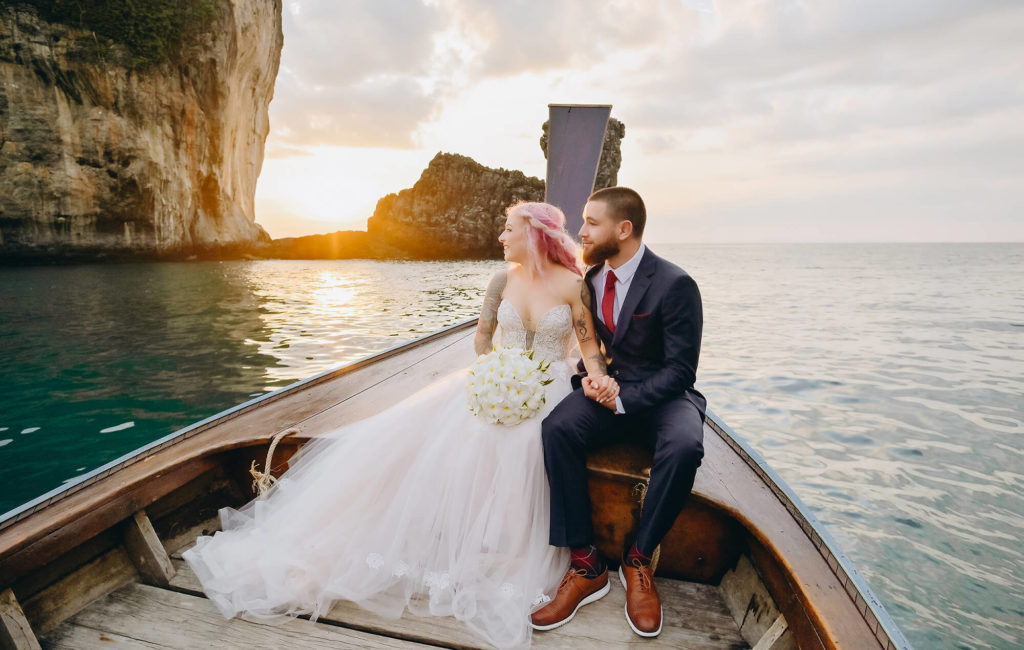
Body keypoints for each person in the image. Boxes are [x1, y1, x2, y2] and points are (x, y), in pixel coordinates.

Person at [182, 201, 619, 650]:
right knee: (442, 435)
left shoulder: (573, 285)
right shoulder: (501, 279)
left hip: (548, 387)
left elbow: (588, 348)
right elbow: (483, 338)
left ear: (532, 235)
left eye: (508, 230)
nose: (501, 237)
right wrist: (493, 377)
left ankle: (502, 549)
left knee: (530, 442)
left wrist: (599, 380)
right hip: (496, 382)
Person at [531, 187, 706, 638]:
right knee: (557, 428)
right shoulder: (591, 279)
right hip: (611, 389)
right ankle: (586, 563)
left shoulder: (676, 284)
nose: (582, 231)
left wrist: (623, 400)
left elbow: (681, 371)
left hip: (666, 398)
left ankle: (639, 559)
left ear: (623, 229)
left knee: (685, 445)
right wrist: (592, 378)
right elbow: (598, 348)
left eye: (592, 222)